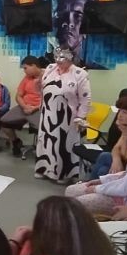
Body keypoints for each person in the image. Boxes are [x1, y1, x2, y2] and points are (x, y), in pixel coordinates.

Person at [34, 46, 91, 184]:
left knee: (63, 145)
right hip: (48, 113)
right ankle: (44, 169)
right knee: (46, 142)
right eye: (56, 57)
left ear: (71, 58)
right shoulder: (50, 68)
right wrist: (38, 83)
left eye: (62, 57)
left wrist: (81, 117)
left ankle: (64, 174)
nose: (58, 60)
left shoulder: (79, 74)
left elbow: (85, 98)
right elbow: (42, 89)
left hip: (67, 116)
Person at [89, 94, 127, 179]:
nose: (119, 115)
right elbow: (116, 148)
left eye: (125, 112)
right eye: (120, 111)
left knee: (104, 161)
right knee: (103, 168)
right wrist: (116, 160)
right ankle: (90, 184)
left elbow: (126, 157)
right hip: (123, 165)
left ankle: (87, 184)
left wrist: (125, 134)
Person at [0, 56, 44, 157]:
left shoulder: (47, 76)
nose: (24, 71)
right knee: (4, 122)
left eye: (25, 68)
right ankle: (16, 142)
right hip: (24, 106)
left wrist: (34, 108)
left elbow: (49, 99)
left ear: (33, 66)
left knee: (43, 129)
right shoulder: (27, 78)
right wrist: (24, 106)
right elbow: (18, 96)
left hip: (39, 108)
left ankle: (42, 151)